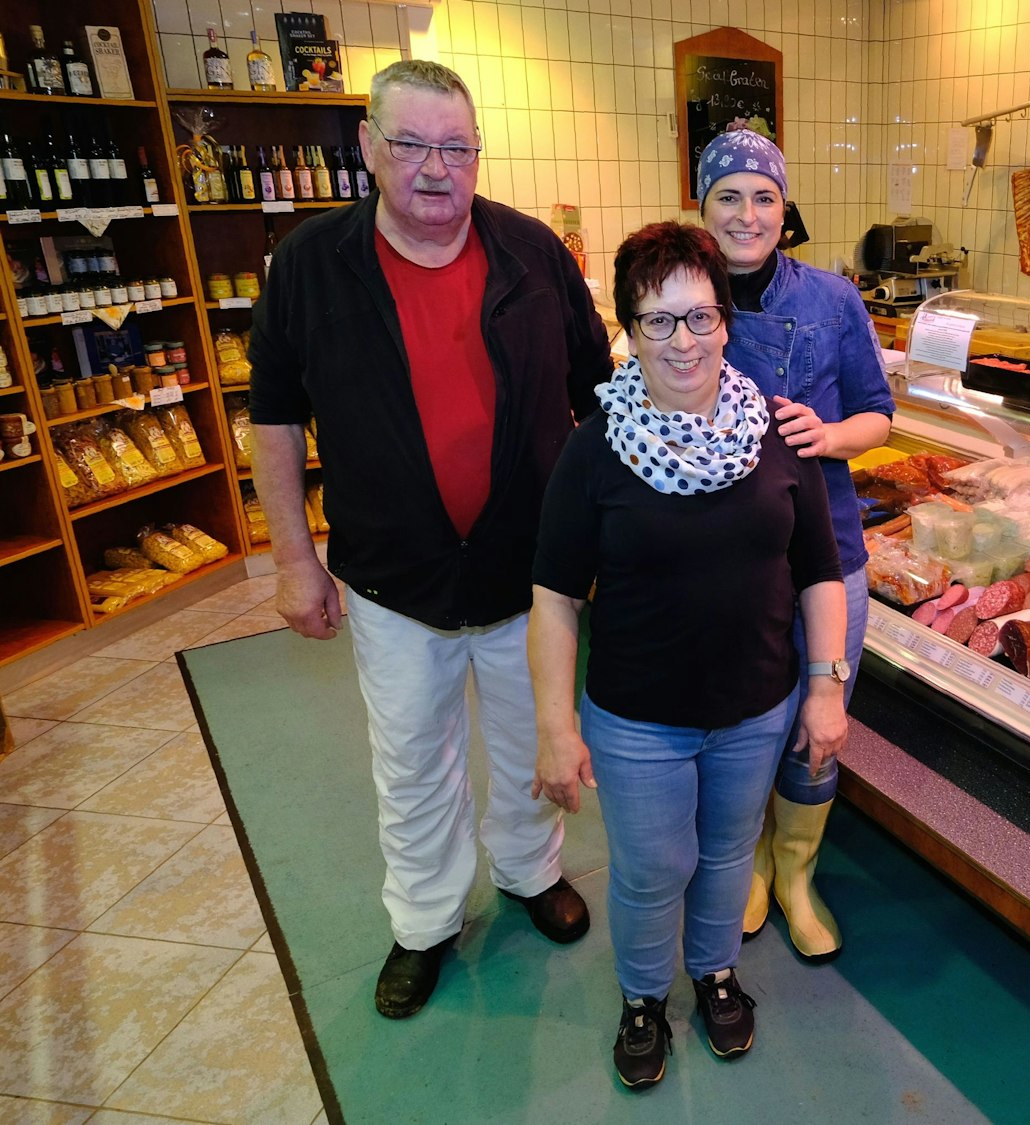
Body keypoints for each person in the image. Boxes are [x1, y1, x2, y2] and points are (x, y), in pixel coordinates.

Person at [248, 59, 611, 1020]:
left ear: (478, 154)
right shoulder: (309, 267)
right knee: (412, 758)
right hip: (391, 576)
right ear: (367, 147)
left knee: (537, 739)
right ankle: (423, 922)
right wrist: (294, 557)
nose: (435, 169)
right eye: (410, 144)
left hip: (528, 572)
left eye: (456, 147)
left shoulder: (536, 255)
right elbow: (276, 419)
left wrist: (608, 544)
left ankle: (532, 875)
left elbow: (597, 399)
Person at [528, 221, 849, 1087]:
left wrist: (826, 687)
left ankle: (713, 973)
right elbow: (554, 598)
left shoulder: (776, 434)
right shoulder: (593, 448)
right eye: (659, 321)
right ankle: (642, 996)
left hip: (756, 705)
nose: (684, 341)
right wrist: (556, 727)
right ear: (629, 330)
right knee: (649, 867)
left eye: (701, 318)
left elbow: (819, 571)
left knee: (724, 854)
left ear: (725, 322)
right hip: (637, 716)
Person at [697, 129, 894, 960]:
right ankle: (741, 868)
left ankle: (796, 873)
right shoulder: (683, 294)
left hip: (827, 552)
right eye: (729, 196)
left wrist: (832, 432)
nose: (748, 214)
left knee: (821, 720)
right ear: (702, 207)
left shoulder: (834, 300)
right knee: (736, 720)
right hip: (721, 557)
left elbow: (880, 413)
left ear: (786, 207)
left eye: (764, 196)